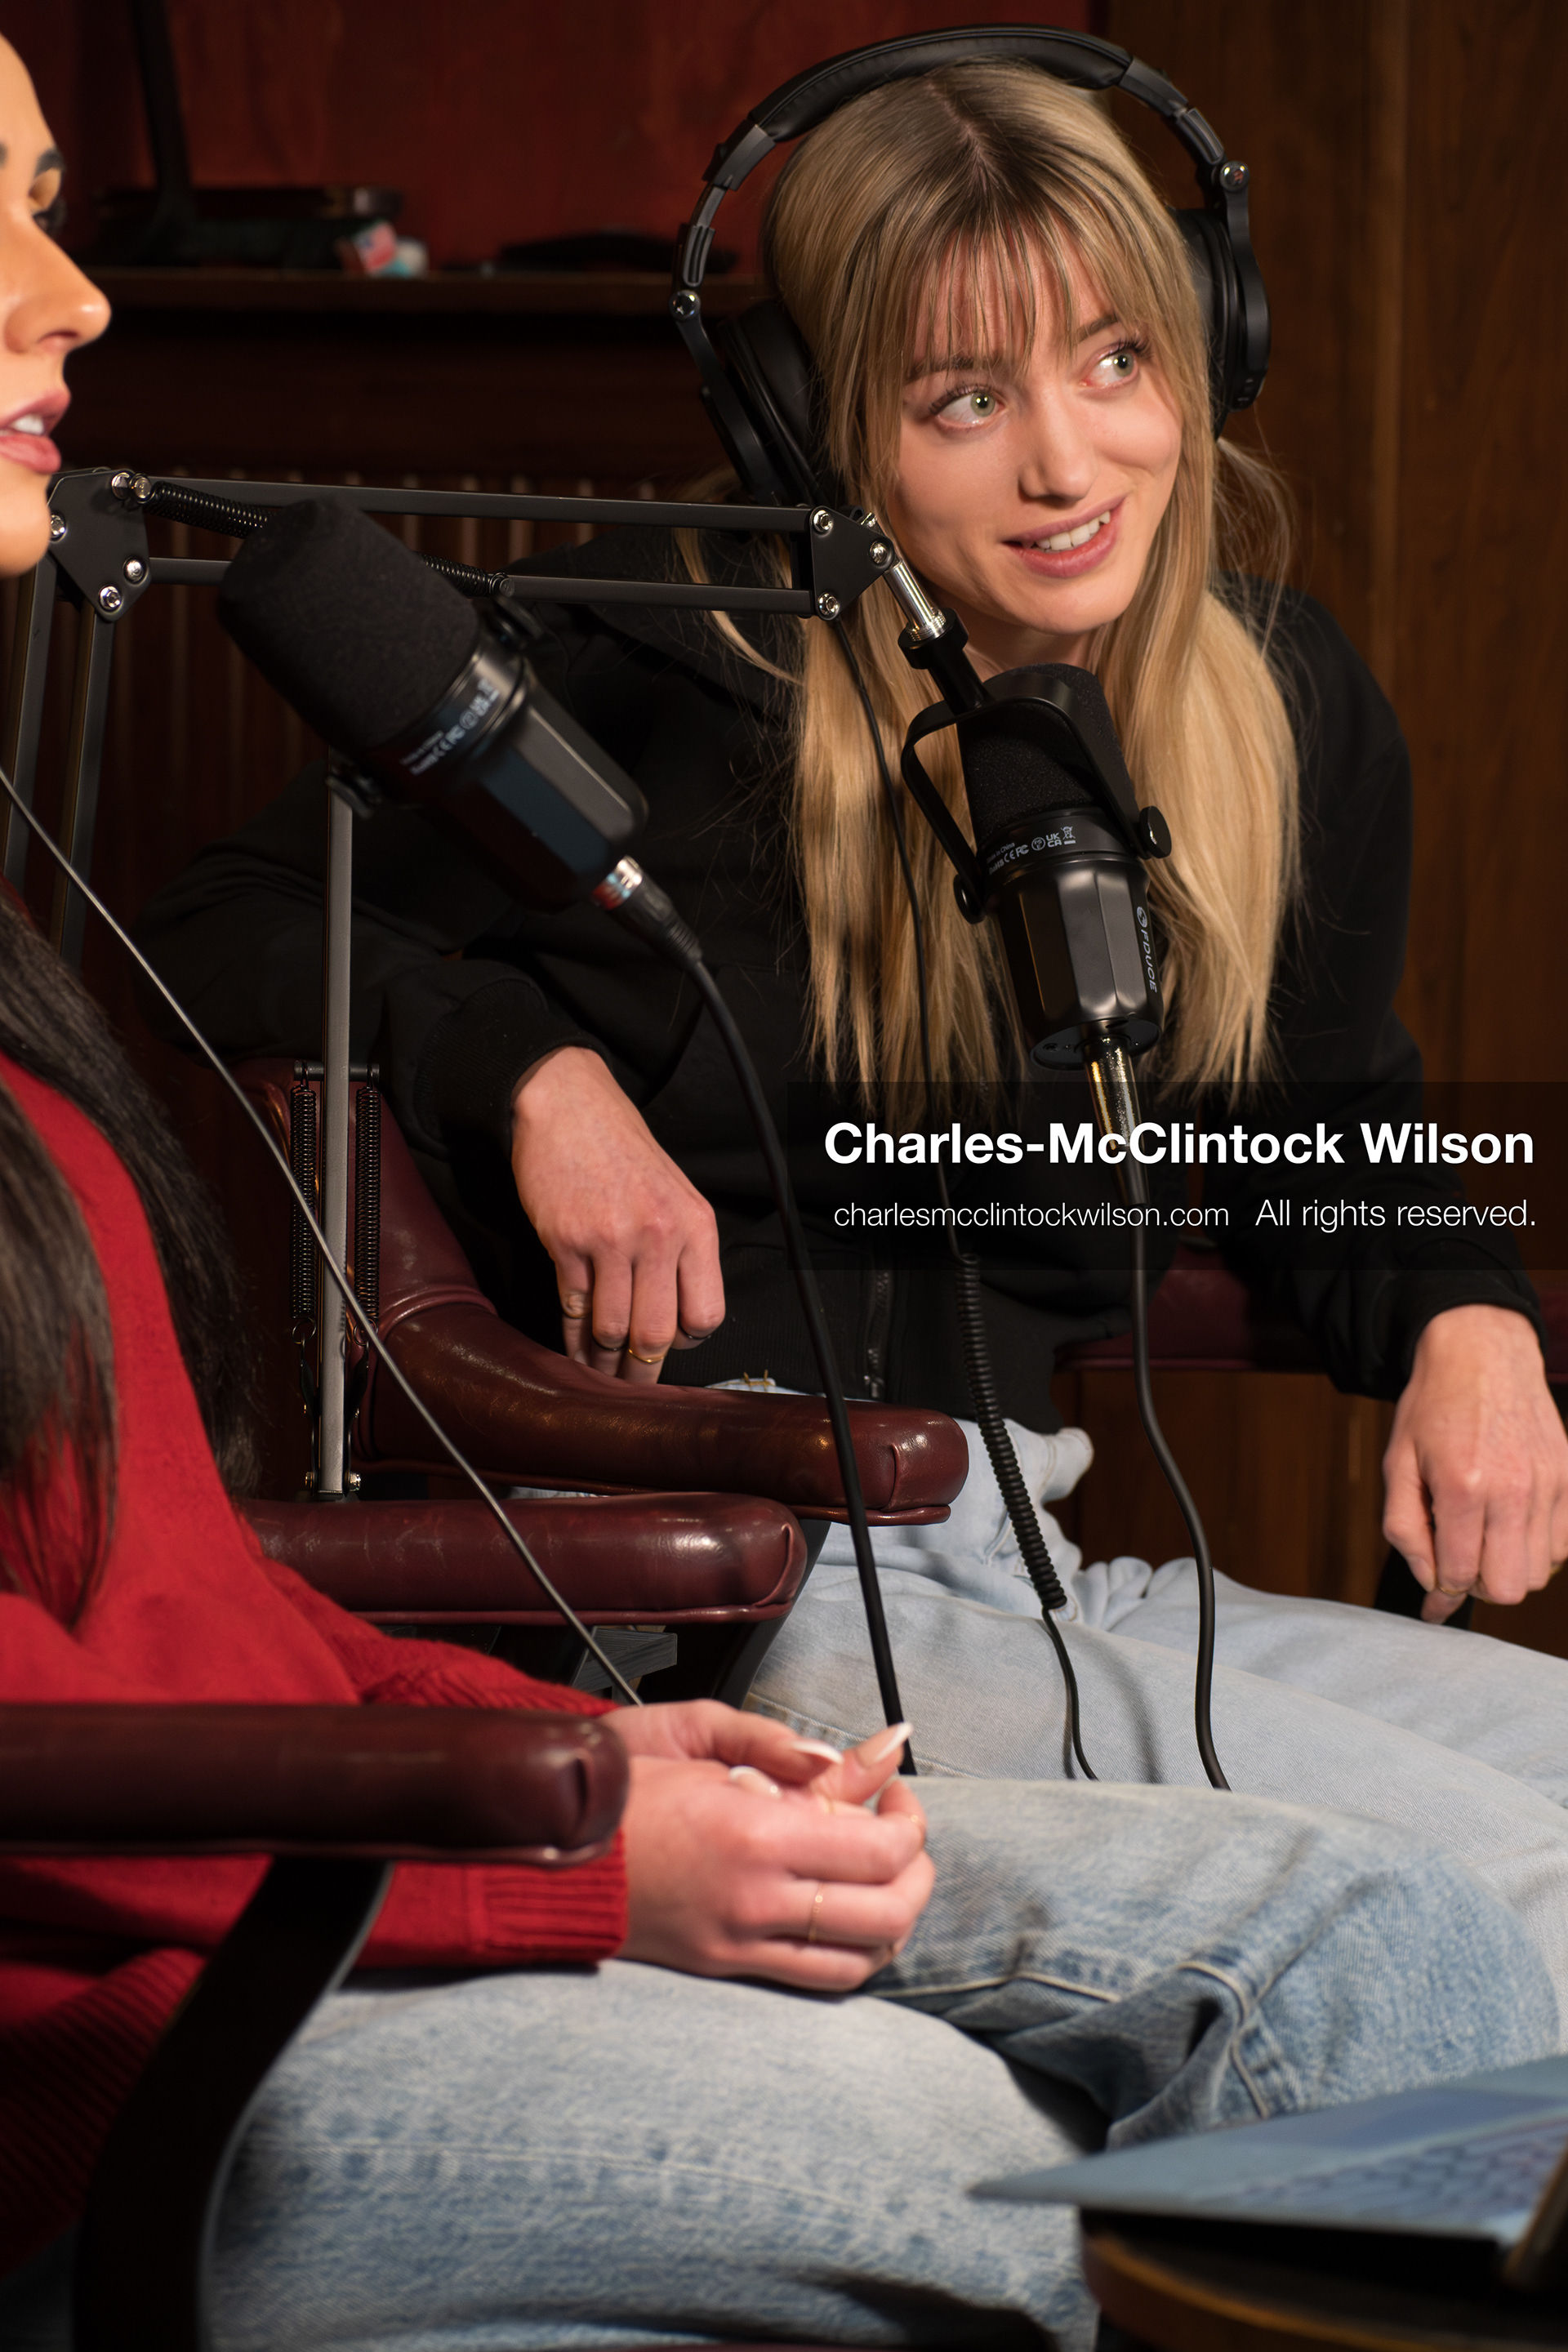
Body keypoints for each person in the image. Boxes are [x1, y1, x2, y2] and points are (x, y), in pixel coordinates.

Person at [0, 41, 1561, 2350]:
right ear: (812, 430)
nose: (1069, 461)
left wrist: (1463, 1313)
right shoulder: (677, 667)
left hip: (1045, 1539)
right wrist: (526, 1063)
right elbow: (245, 913)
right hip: (760, 1570)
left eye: (1121, 363)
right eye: (963, 403)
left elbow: (1325, 1113)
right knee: (1492, 1903)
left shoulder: (1274, 708)